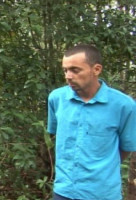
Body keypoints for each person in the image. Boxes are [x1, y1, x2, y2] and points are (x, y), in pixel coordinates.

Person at [47, 44, 136, 200]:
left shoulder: (123, 105)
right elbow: (59, 137)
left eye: (75, 70)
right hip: (64, 192)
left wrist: (100, 168)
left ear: (96, 69)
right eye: (65, 70)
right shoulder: (57, 98)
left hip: (102, 194)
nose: (68, 76)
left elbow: (126, 148)